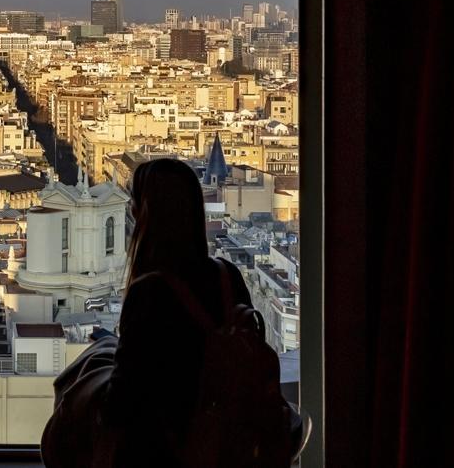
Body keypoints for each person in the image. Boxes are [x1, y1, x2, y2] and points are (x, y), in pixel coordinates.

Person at [42, 158, 298, 467]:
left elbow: (121, 405)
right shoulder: (227, 276)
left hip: (168, 452)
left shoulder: (148, 293)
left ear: (146, 215)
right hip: (233, 448)